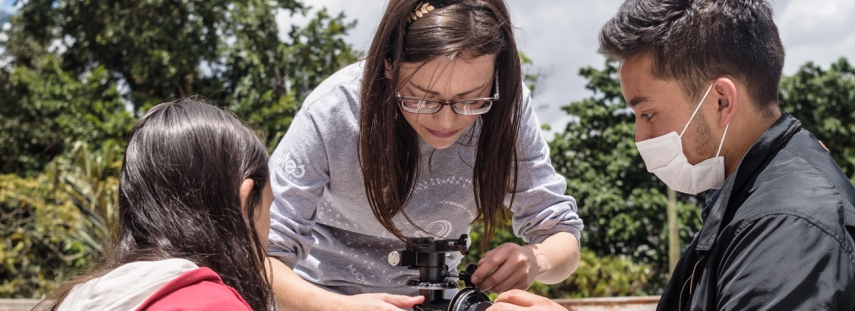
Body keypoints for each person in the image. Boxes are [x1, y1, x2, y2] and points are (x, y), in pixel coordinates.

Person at [490, 0, 855, 310]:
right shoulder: (757, 195)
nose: (640, 135)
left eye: (648, 113)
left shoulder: (788, 228)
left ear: (722, 100)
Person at [266, 0, 584, 310]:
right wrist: (335, 306)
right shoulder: (334, 110)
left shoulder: (507, 107)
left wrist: (537, 258)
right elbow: (258, 258)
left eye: (471, 100)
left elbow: (561, 235)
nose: (446, 122)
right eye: (422, 99)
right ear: (389, 64)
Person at [36, 98, 275, 311]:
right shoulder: (212, 304)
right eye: (270, 207)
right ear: (244, 201)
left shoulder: (75, 300)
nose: (271, 227)